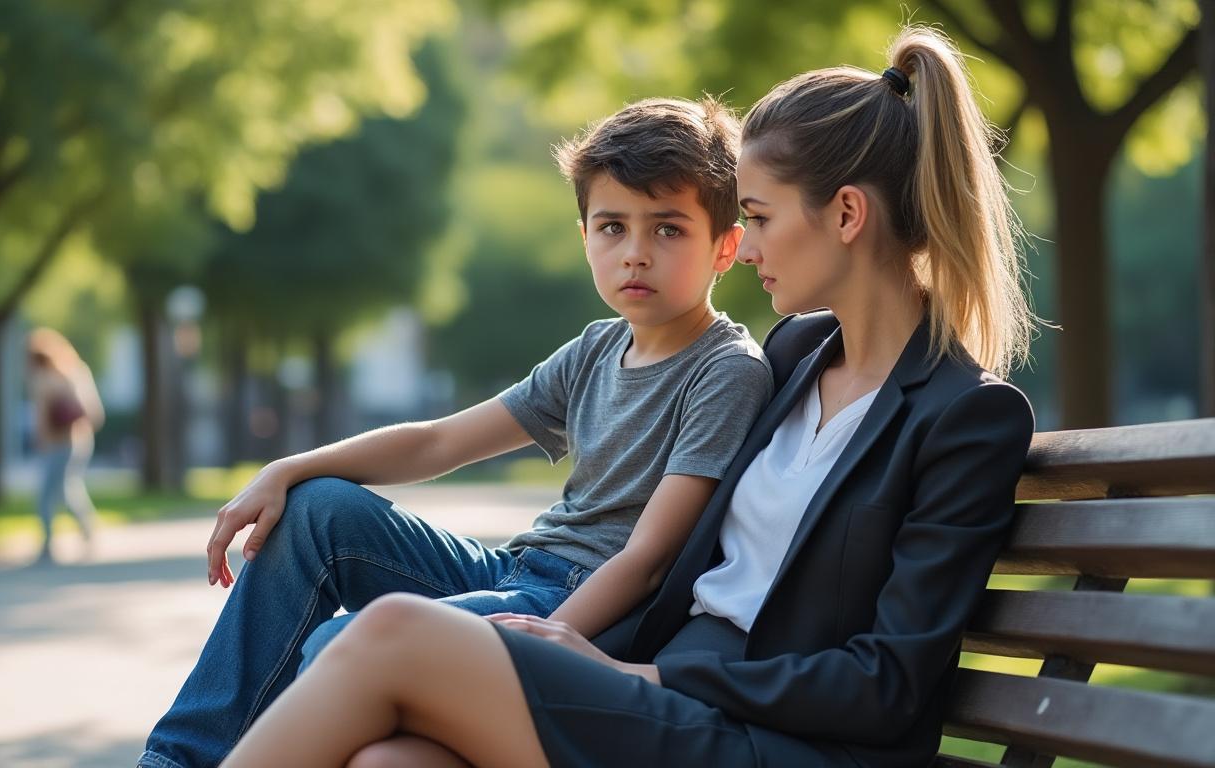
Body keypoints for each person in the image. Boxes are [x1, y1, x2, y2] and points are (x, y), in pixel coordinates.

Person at [221, 26, 1038, 768]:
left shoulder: (965, 416)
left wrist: (642, 674)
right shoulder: (797, 355)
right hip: (670, 692)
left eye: (757, 217)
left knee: (392, 631)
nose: (748, 248)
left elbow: (886, 684)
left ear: (848, 213)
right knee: (393, 762)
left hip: (772, 738)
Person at [139, 97, 774, 768]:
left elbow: (649, 559)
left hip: (580, 607)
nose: (635, 254)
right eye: (612, 227)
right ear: (584, 235)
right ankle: (176, 761)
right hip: (515, 570)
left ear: (725, 246)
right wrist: (287, 468)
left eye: (669, 229)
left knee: (339, 649)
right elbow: (437, 442)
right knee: (315, 509)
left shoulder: (726, 370)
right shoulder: (596, 348)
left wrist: (550, 639)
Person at [26, 327, 104, 563]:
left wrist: (39, 440)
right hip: (79, 440)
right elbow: (94, 413)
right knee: (68, 488)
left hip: (57, 443)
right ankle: (87, 530)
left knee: (48, 494)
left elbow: (41, 418)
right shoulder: (75, 371)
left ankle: (48, 543)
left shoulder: (44, 379)